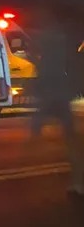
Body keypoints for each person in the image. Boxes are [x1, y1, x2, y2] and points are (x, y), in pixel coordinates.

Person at [29, 13, 82, 195]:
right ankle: (78, 183)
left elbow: (46, 73)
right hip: (60, 95)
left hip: (55, 95)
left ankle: (78, 182)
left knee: (41, 133)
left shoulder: (52, 45)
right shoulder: (63, 43)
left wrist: (34, 61)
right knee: (70, 140)